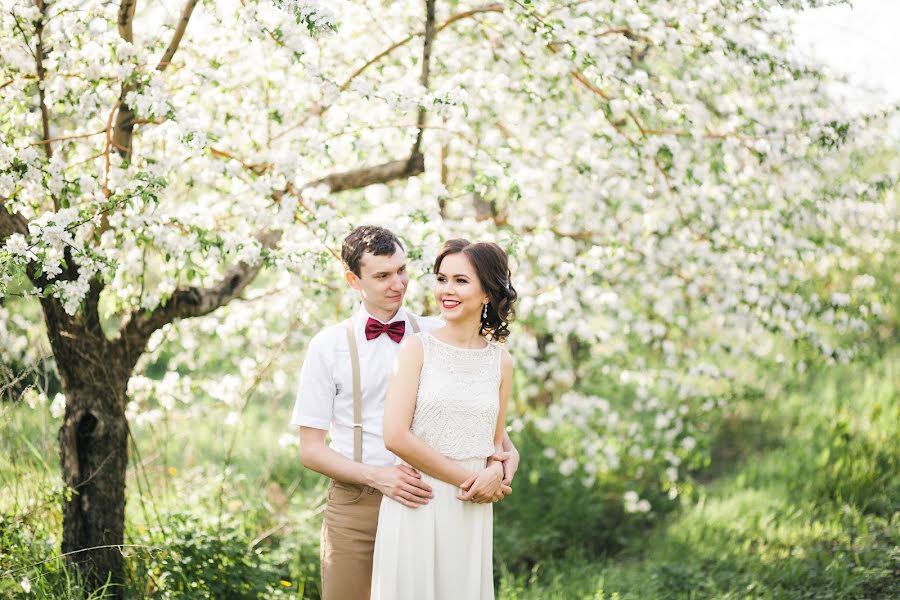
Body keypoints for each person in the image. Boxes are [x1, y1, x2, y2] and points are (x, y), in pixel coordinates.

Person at [290, 226, 520, 600]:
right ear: (354, 280)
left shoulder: (435, 334)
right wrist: (378, 477)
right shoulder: (327, 346)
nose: (398, 284)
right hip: (358, 501)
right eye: (382, 276)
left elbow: (478, 418)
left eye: (402, 271)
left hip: (432, 498)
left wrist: (504, 459)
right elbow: (310, 449)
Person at [370, 238, 518, 600]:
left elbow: (495, 444)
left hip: (471, 509)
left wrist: (496, 471)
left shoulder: (501, 362)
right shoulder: (417, 348)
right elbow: (395, 436)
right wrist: (473, 481)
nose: (446, 290)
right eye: (441, 279)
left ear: (487, 293)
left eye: (461, 281)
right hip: (419, 498)